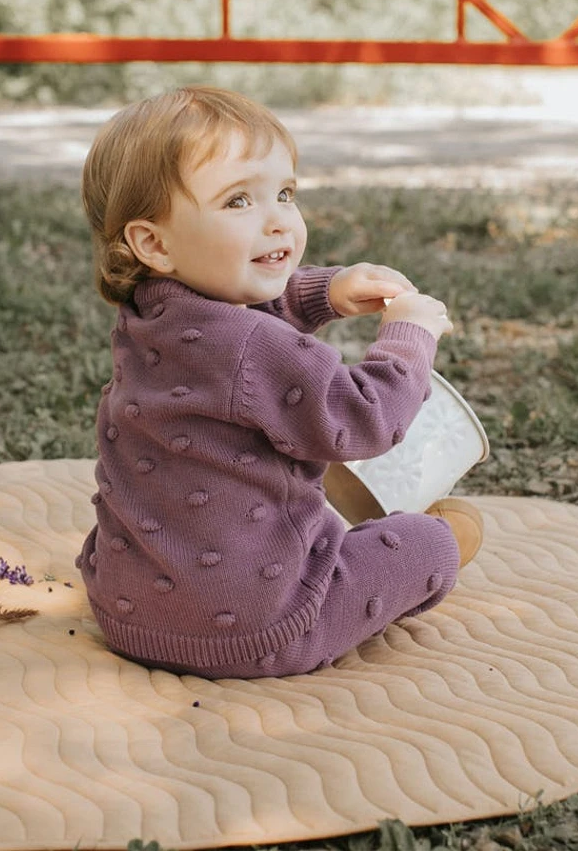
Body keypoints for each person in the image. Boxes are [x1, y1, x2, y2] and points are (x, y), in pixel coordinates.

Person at [76, 86, 483, 679]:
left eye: (285, 194)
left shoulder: (150, 315)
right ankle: (439, 544)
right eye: (239, 201)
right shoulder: (252, 347)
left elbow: (238, 315)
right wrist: (408, 337)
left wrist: (327, 292)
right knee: (421, 544)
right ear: (154, 243)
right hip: (260, 628)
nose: (278, 223)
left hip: (127, 610)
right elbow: (364, 419)